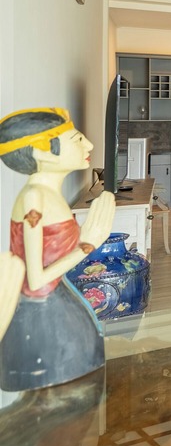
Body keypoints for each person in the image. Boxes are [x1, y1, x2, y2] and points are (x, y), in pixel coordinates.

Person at [0, 107, 116, 391]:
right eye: (77, 139)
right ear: (42, 151)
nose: (89, 145)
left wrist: (86, 239)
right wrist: (88, 243)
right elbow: (36, 281)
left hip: (58, 312)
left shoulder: (47, 195)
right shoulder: (34, 199)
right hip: (42, 324)